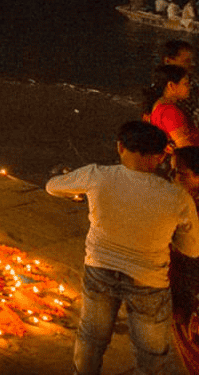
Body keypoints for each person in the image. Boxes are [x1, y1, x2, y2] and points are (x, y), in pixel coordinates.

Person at [47, 121, 199, 375]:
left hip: (100, 269)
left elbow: (53, 186)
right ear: (161, 157)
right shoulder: (177, 197)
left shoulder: (97, 176)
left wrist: (82, 195)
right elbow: (192, 248)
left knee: (91, 337)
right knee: (150, 351)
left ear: (120, 147)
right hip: (149, 280)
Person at [172, 145, 199, 373]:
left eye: (180, 173)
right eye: (171, 171)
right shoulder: (183, 201)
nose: (174, 178)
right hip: (180, 287)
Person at [143, 64, 199, 150]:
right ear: (171, 85)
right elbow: (186, 150)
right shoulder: (170, 112)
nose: (189, 87)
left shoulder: (158, 106)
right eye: (185, 84)